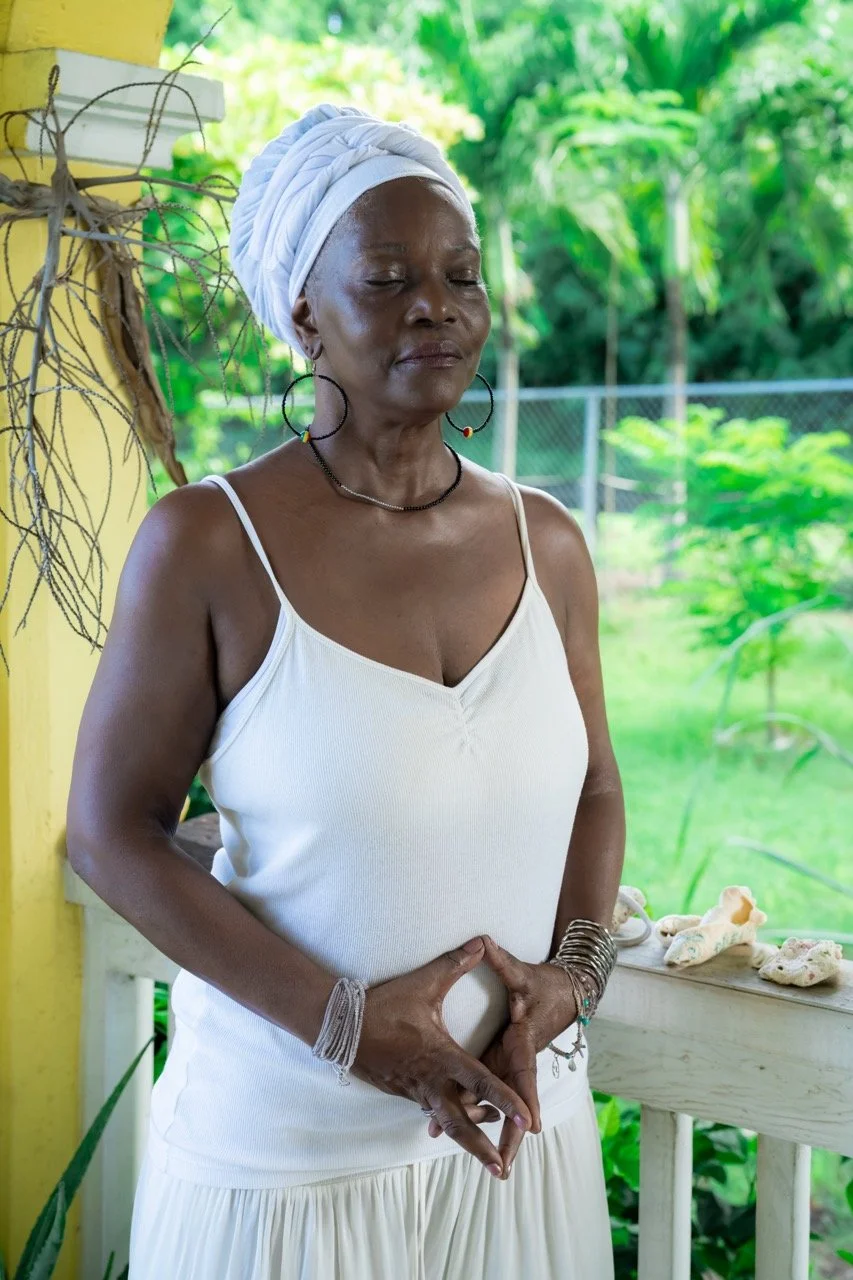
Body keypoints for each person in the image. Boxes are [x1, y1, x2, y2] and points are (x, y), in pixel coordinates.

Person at [66, 103, 625, 1279]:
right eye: (386, 277)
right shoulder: (207, 545)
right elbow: (112, 831)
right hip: (286, 1173)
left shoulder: (550, 542)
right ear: (305, 311)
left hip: (520, 1145)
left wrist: (572, 981)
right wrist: (346, 1026)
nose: (436, 303)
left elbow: (594, 795)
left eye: (460, 274)